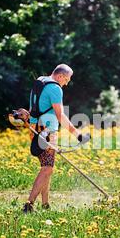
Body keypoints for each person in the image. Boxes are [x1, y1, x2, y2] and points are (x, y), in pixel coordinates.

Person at [23, 64, 89, 213]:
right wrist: (78, 135)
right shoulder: (55, 88)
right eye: (66, 79)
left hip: (35, 129)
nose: (66, 84)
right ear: (60, 76)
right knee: (47, 169)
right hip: (47, 132)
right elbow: (61, 116)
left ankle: (45, 204)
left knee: (47, 166)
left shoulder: (40, 81)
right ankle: (29, 204)